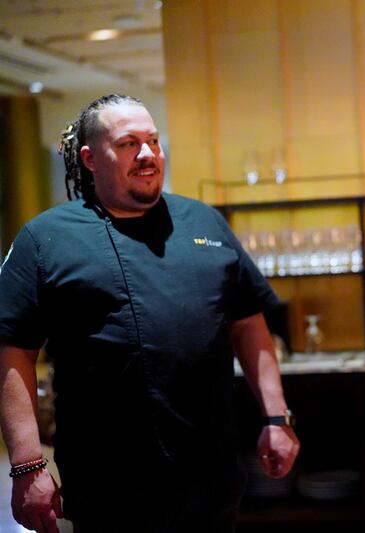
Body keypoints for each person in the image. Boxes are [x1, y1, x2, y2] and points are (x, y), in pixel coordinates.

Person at [0, 94, 300, 532]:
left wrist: (276, 418)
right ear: (90, 158)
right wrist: (27, 464)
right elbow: (13, 350)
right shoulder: (46, 238)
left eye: (153, 141)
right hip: (109, 486)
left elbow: (249, 324)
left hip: (211, 476)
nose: (147, 154)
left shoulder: (204, 222)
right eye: (128, 144)